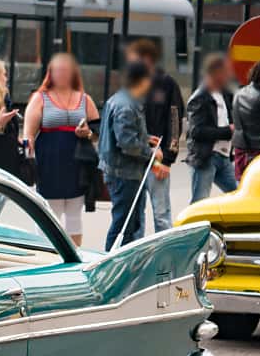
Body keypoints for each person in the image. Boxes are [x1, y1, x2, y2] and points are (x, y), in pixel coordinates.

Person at [20, 52, 98, 246]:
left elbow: (97, 130)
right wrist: (28, 161)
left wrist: (87, 133)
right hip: (49, 165)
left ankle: (75, 257)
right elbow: (28, 135)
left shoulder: (85, 99)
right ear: (50, 73)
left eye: (66, 70)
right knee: (49, 214)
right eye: (58, 70)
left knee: (74, 215)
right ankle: (46, 255)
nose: (62, 74)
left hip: (77, 166)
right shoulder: (40, 99)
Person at [98, 61, 169, 249]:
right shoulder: (127, 106)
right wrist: (151, 154)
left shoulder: (121, 99)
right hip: (124, 173)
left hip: (123, 171)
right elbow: (127, 144)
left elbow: (124, 135)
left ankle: (120, 262)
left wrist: (145, 138)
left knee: (130, 222)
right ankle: (111, 263)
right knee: (124, 224)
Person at [185, 53, 238, 204]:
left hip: (224, 157)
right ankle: (192, 228)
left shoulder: (224, 95)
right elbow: (196, 131)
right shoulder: (200, 97)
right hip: (207, 157)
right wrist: (228, 131)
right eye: (225, 72)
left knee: (238, 195)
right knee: (199, 202)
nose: (228, 75)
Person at [129, 39, 185, 173]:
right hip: (132, 159)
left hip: (157, 157)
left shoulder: (166, 84)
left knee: (158, 195)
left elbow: (175, 121)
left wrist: (167, 160)